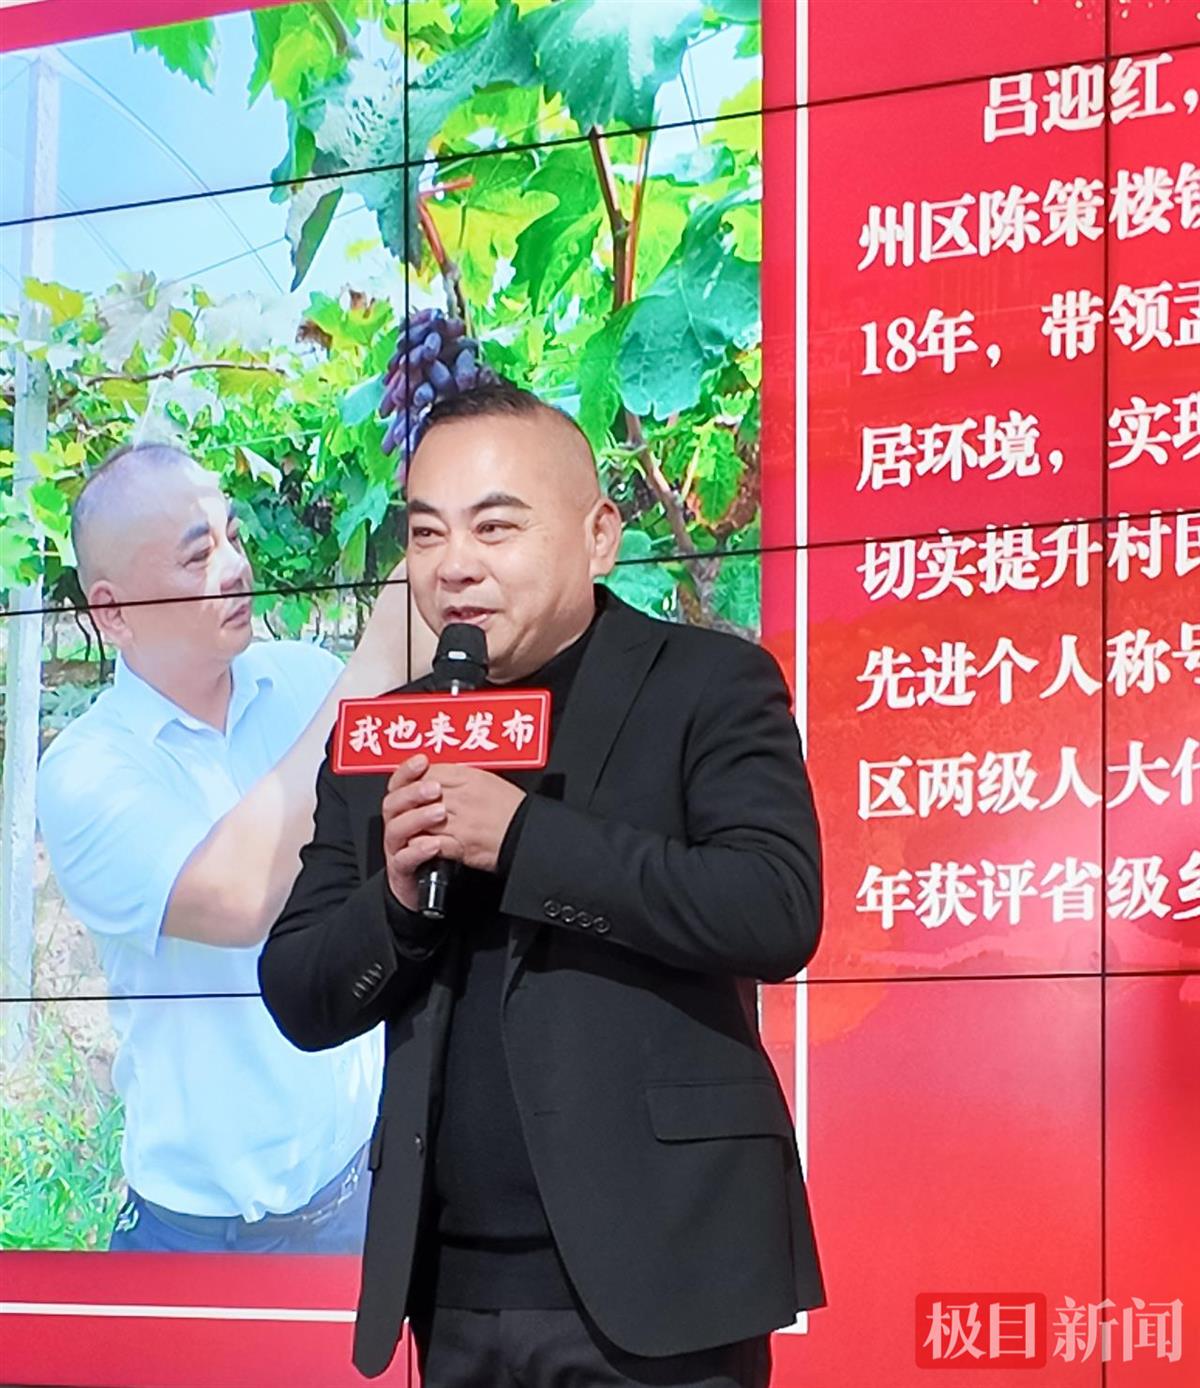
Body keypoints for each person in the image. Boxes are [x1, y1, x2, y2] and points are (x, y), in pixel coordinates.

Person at [259, 380, 826, 1385]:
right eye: (426, 533)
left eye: (495, 527)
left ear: (599, 535)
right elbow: (301, 989)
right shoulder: (387, 733)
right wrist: (398, 904)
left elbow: (774, 907)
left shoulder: (707, 683)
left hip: (666, 1276)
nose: (455, 565)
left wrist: (523, 840)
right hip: (453, 1289)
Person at [37, 441, 434, 1254]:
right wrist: (373, 664)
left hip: (357, 1195)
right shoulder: (86, 772)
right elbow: (238, 898)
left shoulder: (303, 681)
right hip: (196, 1235)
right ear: (112, 611)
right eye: (198, 555)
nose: (234, 567)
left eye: (232, 536)